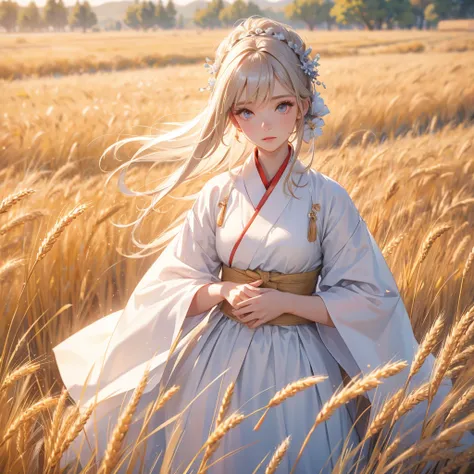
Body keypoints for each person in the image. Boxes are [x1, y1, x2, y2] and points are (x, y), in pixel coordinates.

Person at [52, 17, 465, 474]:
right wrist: (222, 292)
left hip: (299, 361)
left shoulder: (327, 198)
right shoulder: (219, 193)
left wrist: (286, 303)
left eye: (281, 105)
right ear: (231, 117)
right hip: (215, 362)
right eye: (246, 111)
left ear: (304, 106)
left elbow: (370, 299)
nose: (264, 123)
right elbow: (173, 279)